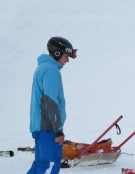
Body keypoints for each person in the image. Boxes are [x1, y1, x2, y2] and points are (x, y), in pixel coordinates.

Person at [27, 36, 77, 174]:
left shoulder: (43, 67)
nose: (67, 60)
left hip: (41, 126)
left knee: (40, 165)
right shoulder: (51, 70)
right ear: (57, 53)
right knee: (49, 165)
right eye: (66, 56)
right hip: (49, 128)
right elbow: (51, 101)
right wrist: (58, 130)